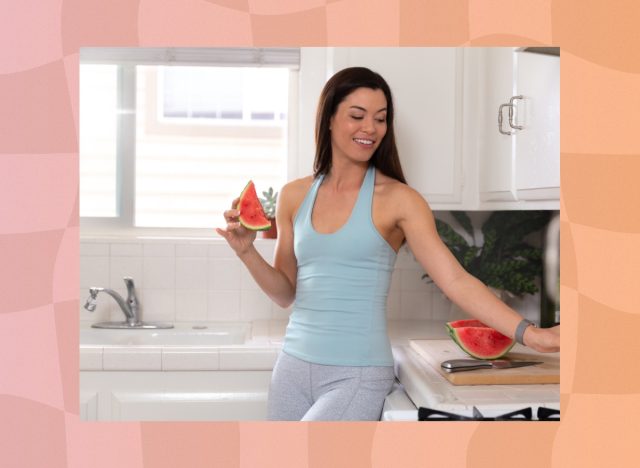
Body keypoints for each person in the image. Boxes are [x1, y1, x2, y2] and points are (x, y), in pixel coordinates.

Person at [216, 67, 560, 421]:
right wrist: (246, 252)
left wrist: (531, 335)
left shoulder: (399, 200)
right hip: (291, 369)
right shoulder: (294, 195)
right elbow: (285, 293)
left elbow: (456, 281)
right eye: (357, 116)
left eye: (380, 119)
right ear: (329, 119)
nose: (370, 128)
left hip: (357, 375)